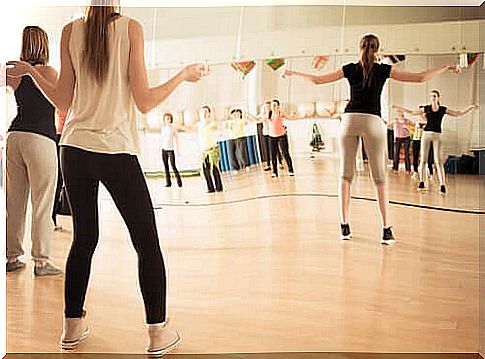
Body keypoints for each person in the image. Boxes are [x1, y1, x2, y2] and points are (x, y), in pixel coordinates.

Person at [7, 2, 206, 355]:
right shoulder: (131, 28)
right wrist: (182, 75)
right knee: (146, 242)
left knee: (84, 239)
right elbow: (144, 102)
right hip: (115, 150)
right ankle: (157, 334)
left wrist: (31, 73)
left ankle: (71, 328)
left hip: (74, 149)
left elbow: (63, 101)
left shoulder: (70, 30)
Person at [283, 34, 461, 244]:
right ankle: (386, 230)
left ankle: (344, 227)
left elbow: (316, 80)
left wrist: (292, 72)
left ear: (359, 48)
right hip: (373, 122)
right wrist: (446, 66)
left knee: (345, 176)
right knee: (379, 179)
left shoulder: (349, 68)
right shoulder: (383, 69)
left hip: (348, 120)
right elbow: (420, 77)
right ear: (377, 50)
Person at [5, 26, 62, 276]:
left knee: (14, 201)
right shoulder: (49, 71)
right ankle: (41, 261)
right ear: (44, 45)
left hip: (14, 136)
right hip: (40, 139)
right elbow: (60, 100)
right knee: (42, 201)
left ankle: (12, 257)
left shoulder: (14, 74)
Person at [394, 91, 479, 193]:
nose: (432, 98)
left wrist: (470, 107)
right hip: (426, 135)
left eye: (434, 96)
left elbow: (458, 113)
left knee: (438, 161)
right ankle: (421, 182)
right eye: (431, 96)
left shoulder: (443, 109)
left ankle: (442, 185)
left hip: (437, 136)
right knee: (423, 160)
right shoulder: (426, 108)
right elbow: (412, 112)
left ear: (438, 98)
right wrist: (400, 108)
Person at [198, 105, 223, 193]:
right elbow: (189, 128)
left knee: (215, 169)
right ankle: (210, 188)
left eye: (206, 112)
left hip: (212, 150)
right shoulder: (199, 124)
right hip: (203, 151)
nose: (204, 114)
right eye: (202, 112)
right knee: (206, 171)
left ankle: (219, 187)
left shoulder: (212, 123)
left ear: (209, 113)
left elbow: (215, 127)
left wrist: (208, 120)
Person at [268, 99, 294, 178]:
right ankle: (274, 172)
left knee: (285, 153)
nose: (273, 107)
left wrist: (293, 115)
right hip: (272, 137)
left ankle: (290, 169)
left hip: (282, 136)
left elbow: (289, 117)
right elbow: (258, 119)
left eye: (275, 105)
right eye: (272, 105)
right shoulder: (269, 114)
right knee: (273, 155)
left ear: (278, 106)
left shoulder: (280, 113)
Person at [53, 109, 68, 229]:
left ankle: (52, 217)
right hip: (66, 137)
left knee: (57, 181)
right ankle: (52, 218)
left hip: (59, 136)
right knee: (57, 181)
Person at [388, 108, 414, 174]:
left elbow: (414, 124)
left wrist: (408, 127)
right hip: (398, 138)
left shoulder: (407, 120)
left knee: (406, 153)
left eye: (401, 112)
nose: (400, 113)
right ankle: (395, 169)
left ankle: (408, 170)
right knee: (396, 153)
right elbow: (387, 124)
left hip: (406, 138)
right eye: (399, 112)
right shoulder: (395, 120)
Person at [160, 112, 182, 187]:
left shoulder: (173, 128)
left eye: (169, 118)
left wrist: (178, 150)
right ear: (164, 120)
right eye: (166, 119)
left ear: (171, 119)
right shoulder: (163, 129)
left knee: (173, 166)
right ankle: (168, 183)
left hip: (171, 150)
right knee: (166, 167)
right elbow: (162, 139)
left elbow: (176, 140)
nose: (168, 120)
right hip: (164, 149)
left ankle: (179, 182)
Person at [228, 108, 249, 174]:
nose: (235, 114)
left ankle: (246, 165)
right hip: (231, 138)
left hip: (240, 137)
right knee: (232, 154)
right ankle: (235, 168)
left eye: (237, 113)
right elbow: (228, 128)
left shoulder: (241, 120)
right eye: (233, 114)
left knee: (242, 153)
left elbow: (246, 122)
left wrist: (245, 115)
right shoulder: (230, 122)